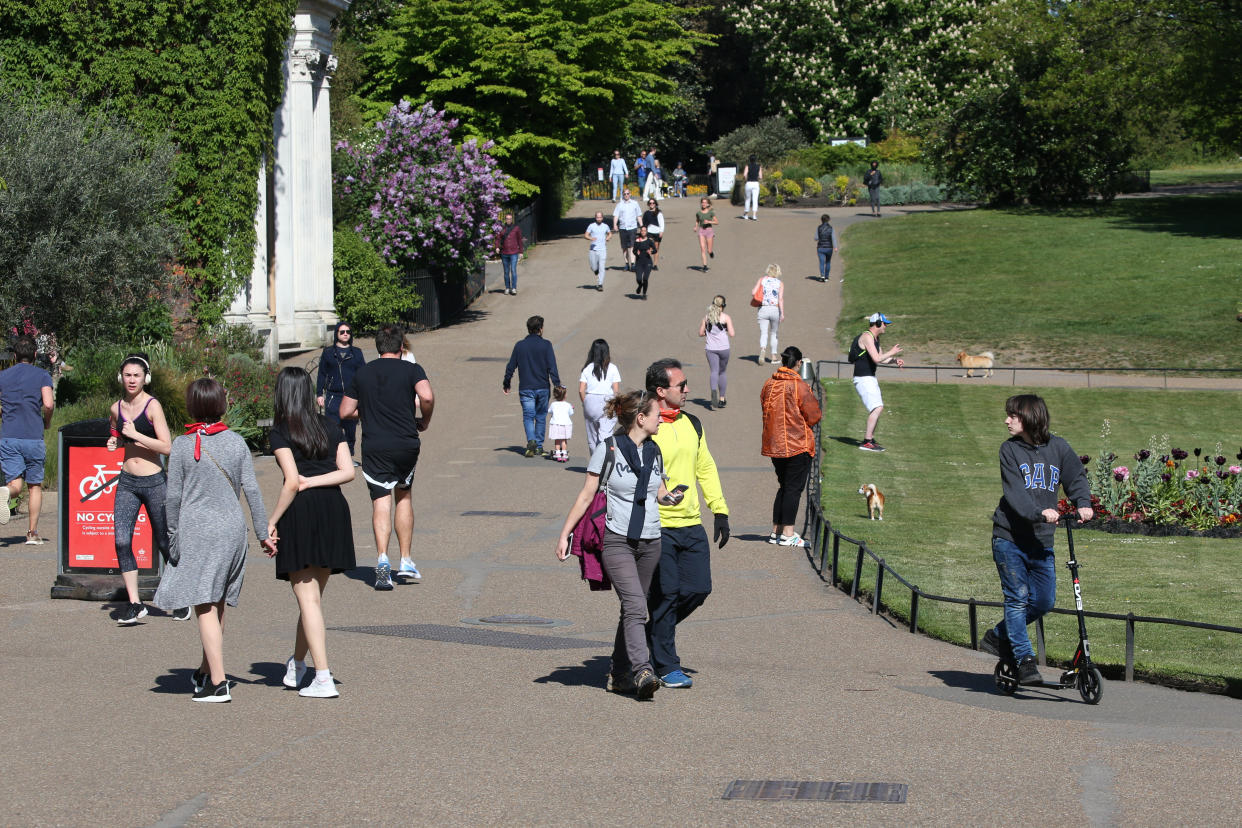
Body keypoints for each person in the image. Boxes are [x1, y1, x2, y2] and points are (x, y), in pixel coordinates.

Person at [556, 389, 683, 700]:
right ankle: (643, 670)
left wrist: (670, 497)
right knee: (637, 607)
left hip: (651, 541)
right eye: (657, 415)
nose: (661, 421)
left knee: (632, 608)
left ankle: (620, 673)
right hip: (617, 541)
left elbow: (659, 491)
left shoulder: (654, 451)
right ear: (641, 418)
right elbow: (587, 495)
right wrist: (564, 534)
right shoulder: (609, 449)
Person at [153, 378, 273, 702]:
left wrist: (172, 540)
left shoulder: (181, 445)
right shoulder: (236, 442)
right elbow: (252, 492)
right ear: (220, 404)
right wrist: (263, 534)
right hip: (233, 529)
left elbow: (171, 500)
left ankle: (218, 683)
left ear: (192, 405)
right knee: (216, 600)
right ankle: (206, 671)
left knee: (202, 601)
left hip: (198, 531)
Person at [979, 394, 1094, 686]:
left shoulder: (1059, 447)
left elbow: (1076, 477)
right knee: (1017, 599)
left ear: (1029, 418)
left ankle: (998, 636)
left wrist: (1083, 502)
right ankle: (1025, 660)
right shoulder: (1009, 450)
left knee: (1044, 601)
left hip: (1042, 540)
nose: (1006, 420)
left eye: (1012, 416)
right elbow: (1014, 492)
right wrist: (1037, 512)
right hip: (1010, 538)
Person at [266, 367, 356, 698]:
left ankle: (322, 676)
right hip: (333, 510)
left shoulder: (280, 431)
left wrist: (272, 520)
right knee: (312, 600)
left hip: (301, 514)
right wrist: (315, 480)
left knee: (309, 600)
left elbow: (292, 481)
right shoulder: (331, 426)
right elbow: (347, 472)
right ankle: (299, 663)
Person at [645, 358, 730, 689]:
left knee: (698, 589)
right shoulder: (646, 425)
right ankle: (667, 664)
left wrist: (719, 510)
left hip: (690, 523)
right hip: (657, 525)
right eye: (681, 386)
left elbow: (705, 467)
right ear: (661, 391)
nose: (687, 389)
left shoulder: (692, 423)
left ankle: (652, 635)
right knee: (666, 594)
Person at [340, 324, 435, 591]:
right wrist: (424, 420)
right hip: (405, 442)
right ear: (401, 347)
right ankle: (405, 559)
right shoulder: (412, 369)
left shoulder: (363, 373)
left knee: (380, 502)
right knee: (403, 494)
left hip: (375, 445)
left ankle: (382, 558)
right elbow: (426, 396)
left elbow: (345, 411)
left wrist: (368, 414)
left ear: (378, 347)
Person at [106, 353, 173, 625]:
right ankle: (136, 603)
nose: (131, 380)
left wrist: (135, 436)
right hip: (127, 481)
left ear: (145, 378)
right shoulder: (116, 408)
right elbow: (114, 433)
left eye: (136, 375)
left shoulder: (152, 406)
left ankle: (180, 596)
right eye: (127, 375)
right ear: (120, 377)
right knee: (122, 540)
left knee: (164, 542)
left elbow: (167, 446)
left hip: (154, 480)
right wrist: (115, 443)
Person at [760, 347, 823, 548]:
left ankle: (776, 530)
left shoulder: (769, 384)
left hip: (774, 444)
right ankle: (788, 533)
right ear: (798, 363)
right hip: (797, 444)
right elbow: (814, 415)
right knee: (793, 489)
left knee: (785, 487)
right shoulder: (799, 386)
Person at [0, 334, 54, 543]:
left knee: (15, 483)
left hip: (9, 436)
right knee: (34, 485)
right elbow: (48, 404)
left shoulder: (3, 376)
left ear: (14, 355)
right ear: (34, 354)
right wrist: (46, 421)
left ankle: (6, 491)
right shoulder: (42, 375)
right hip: (33, 436)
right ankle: (32, 533)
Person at [502, 315, 560, 458]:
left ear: (528, 329)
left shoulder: (520, 345)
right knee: (540, 416)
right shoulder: (546, 345)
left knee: (528, 416)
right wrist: (557, 384)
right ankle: (539, 446)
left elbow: (511, 366)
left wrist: (506, 382)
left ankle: (531, 441)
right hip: (542, 387)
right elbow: (552, 367)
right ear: (540, 329)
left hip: (526, 387)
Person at [850, 312, 903, 452]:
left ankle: (870, 439)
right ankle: (867, 441)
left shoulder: (875, 338)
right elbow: (876, 359)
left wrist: (894, 360)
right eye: (884, 323)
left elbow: (882, 358)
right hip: (863, 378)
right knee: (877, 407)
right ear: (878, 323)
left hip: (869, 377)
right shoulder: (867, 337)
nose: (886, 326)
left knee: (878, 407)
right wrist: (892, 352)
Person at [315, 322, 364, 463]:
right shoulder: (328, 353)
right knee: (332, 428)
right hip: (333, 395)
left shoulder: (357, 353)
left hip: (351, 396)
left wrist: (363, 393)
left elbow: (363, 374)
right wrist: (319, 393)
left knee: (350, 429)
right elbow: (322, 374)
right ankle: (333, 458)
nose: (345, 334)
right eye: (342, 332)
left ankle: (348, 458)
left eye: (348, 331)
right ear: (337, 334)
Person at [578, 339, 621, 454]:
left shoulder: (587, 368)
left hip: (590, 400)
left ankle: (594, 464)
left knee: (592, 436)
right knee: (606, 433)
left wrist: (585, 402)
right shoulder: (612, 368)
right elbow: (616, 391)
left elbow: (581, 390)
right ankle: (605, 460)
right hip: (608, 400)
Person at [698, 295, 735, 410]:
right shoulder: (726, 318)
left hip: (711, 349)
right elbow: (732, 333)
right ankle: (722, 398)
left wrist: (708, 333)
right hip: (724, 348)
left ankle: (713, 390)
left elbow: (700, 333)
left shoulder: (706, 317)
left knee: (714, 371)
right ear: (723, 306)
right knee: (722, 372)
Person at [752, 264, 785, 365]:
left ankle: (763, 350)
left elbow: (753, 292)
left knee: (764, 333)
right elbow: (780, 299)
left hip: (763, 308)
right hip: (774, 309)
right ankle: (774, 357)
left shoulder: (762, 280)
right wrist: (782, 313)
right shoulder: (780, 283)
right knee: (774, 333)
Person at [494, 212, 525, 296]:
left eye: (510, 219)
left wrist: (521, 252)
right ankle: (507, 288)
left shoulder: (516, 228)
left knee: (513, 270)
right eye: (507, 219)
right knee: (506, 272)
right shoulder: (502, 229)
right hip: (504, 253)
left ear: (512, 219)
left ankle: (514, 288)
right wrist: (497, 247)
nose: (508, 220)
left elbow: (519, 240)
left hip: (514, 253)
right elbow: (498, 239)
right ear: (505, 219)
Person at [611, 190, 641, 273]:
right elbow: (616, 215)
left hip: (632, 227)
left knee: (632, 246)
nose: (626, 195)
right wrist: (615, 225)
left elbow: (638, 215)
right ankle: (627, 263)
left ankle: (633, 264)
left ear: (630, 194)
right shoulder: (619, 205)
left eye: (628, 194)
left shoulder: (635, 203)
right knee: (624, 247)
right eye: (624, 194)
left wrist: (642, 226)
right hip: (623, 228)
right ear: (622, 195)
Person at [584, 211, 611, 290]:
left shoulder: (605, 226)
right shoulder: (591, 226)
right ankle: (595, 270)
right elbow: (586, 235)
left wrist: (608, 238)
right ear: (595, 218)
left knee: (602, 267)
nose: (599, 219)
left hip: (602, 249)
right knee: (594, 267)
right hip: (593, 249)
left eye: (600, 217)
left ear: (602, 218)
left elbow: (610, 233)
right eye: (597, 217)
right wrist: (591, 238)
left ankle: (600, 284)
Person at [547, 386, 574, 463]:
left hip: (556, 424)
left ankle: (558, 453)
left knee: (557, 439)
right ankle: (564, 453)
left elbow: (549, 411)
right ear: (565, 395)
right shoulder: (568, 405)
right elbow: (571, 413)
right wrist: (572, 408)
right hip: (565, 424)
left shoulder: (553, 404)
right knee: (564, 440)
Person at [694, 197, 718, 272]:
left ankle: (711, 253)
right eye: (702, 202)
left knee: (709, 250)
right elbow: (697, 221)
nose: (703, 204)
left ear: (708, 204)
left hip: (709, 231)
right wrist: (696, 227)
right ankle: (705, 266)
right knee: (702, 248)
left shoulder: (711, 212)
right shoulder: (698, 213)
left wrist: (709, 222)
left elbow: (717, 222)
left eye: (705, 202)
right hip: (701, 230)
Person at [632, 226, 656, 299]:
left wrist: (651, 251)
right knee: (639, 279)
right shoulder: (637, 241)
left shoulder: (649, 241)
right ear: (640, 232)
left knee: (645, 278)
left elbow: (655, 250)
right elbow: (634, 251)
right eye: (642, 231)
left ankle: (644, 294)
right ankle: (640, 285)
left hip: (647, 262)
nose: (643, 232)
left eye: (644, 231)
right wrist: (637, 253)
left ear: (646, 232)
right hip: (639, 262)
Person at [815, 214, 840, 282]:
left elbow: (816, 238)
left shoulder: (819, 228)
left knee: (821, 262)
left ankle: (822, 275)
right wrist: (835, 247)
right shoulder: (831, 228)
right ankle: (827, 277)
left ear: (821, 220)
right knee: (828, 262)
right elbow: (833, 238)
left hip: (820, 247)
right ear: (828, 220)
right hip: (829, 247)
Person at [642, 198, 665, 269]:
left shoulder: (659, 213)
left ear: (655, 204)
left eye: (653, 203)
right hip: (649, 232)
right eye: (650, 203)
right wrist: (643, 231)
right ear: (648, 204)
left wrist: (661, 231)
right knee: (649, 248)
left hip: (657, 232)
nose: (651, 204)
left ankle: (655, 264)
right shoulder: (646, 213)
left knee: (656, 248)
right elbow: (644, 223)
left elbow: (662, 223)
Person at [742, 154, 762, 220]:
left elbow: (744, 175)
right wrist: (757, 178)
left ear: (749, 159)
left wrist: (745, 180)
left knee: (748, 199)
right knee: (755, 200)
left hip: (749, 183)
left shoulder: (747, 166)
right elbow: (760, 177)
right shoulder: (759, 166)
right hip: (756, 183)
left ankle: (746, 214)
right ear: (755, 159)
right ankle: (754, 215)